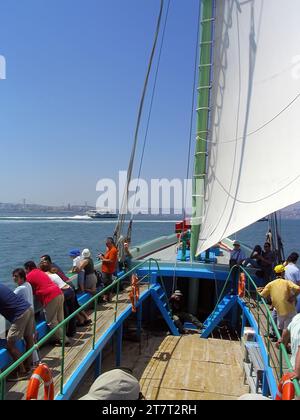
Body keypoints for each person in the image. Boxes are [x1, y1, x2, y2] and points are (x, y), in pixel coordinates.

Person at [24, 261, 68, 345]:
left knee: (51, 321)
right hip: (59, 292)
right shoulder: (40, 271)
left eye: (26, 270)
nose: (25, 272)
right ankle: (59, 338)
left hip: (50, 296)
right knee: (60, 318)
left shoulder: (29, 276)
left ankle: (64, 340)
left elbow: (28, 288)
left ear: (28, 268)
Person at [0, 283, 35, 381]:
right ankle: (28, 366)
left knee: (9, 345)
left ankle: (22, 372)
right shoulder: (2, 285)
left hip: (20, 314)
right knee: (29, 339)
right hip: (28, 309)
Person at [258, 265, 300, 333]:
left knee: (280, 327)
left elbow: (262, 295)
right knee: (287, 328)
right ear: (282, 273)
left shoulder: (270, 284)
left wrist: (260, 290)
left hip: (279, 311)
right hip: (290, 310)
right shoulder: (287, 282)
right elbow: (298, 288)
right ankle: (283, 341)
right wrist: (294, 297)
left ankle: (278, 338)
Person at [12, 268, 40, 365]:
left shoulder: (20, 289)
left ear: (22, 277)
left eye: (16, 276)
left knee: (28, 338)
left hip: (25, 313)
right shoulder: (28, 285)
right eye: (13, 276)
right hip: (31, 311)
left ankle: (34, 361)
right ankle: (35, 360)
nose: (14, 278)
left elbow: (10, 298)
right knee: (31, 337)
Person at [99, 238, 118, 302]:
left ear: (110, 243)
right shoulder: (109, 249)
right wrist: (103, 256)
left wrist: (102, 258)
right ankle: (108, 297)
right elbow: (108, 257)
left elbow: (111, 260)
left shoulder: (113, 250)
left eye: (107, 243)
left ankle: (107, 297)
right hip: (106, 270)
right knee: (107, 283)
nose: (106, 245)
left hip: (108, 270)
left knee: (106, 284)